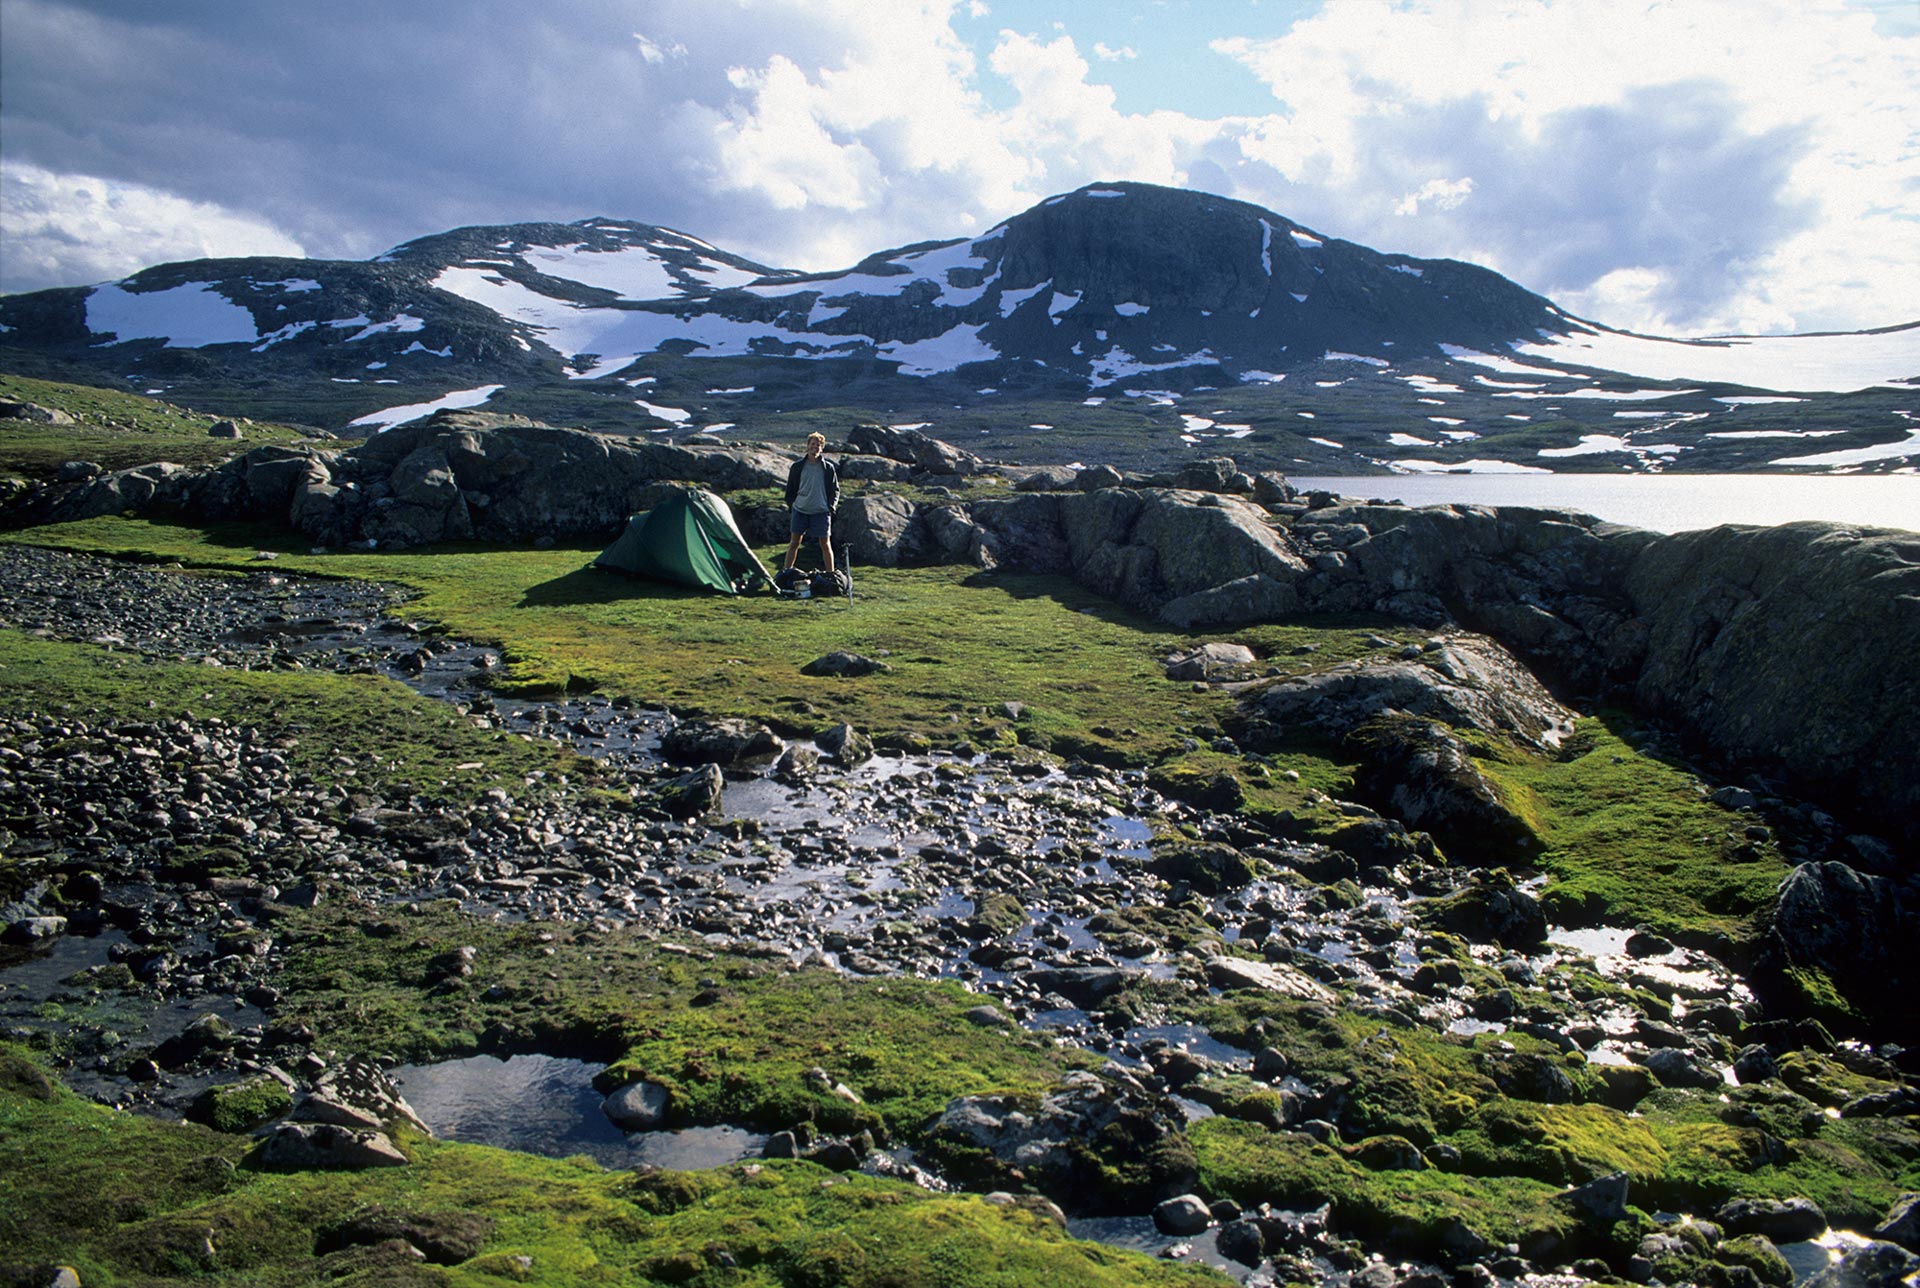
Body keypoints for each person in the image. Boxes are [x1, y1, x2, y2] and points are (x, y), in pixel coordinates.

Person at [783, 432, 839, 574]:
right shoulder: (797, 467)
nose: (815, 447)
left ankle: (830, 576)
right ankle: (785, 573)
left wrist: (831, 507)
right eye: (813, 444)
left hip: (821, 511)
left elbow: (835, 490)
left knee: (825, 545)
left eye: (819, 445)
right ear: (807, 446)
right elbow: (790, 489)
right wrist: (792, 505)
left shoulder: (828, 468)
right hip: (800, 510)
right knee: (794, 543)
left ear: (822, 448)